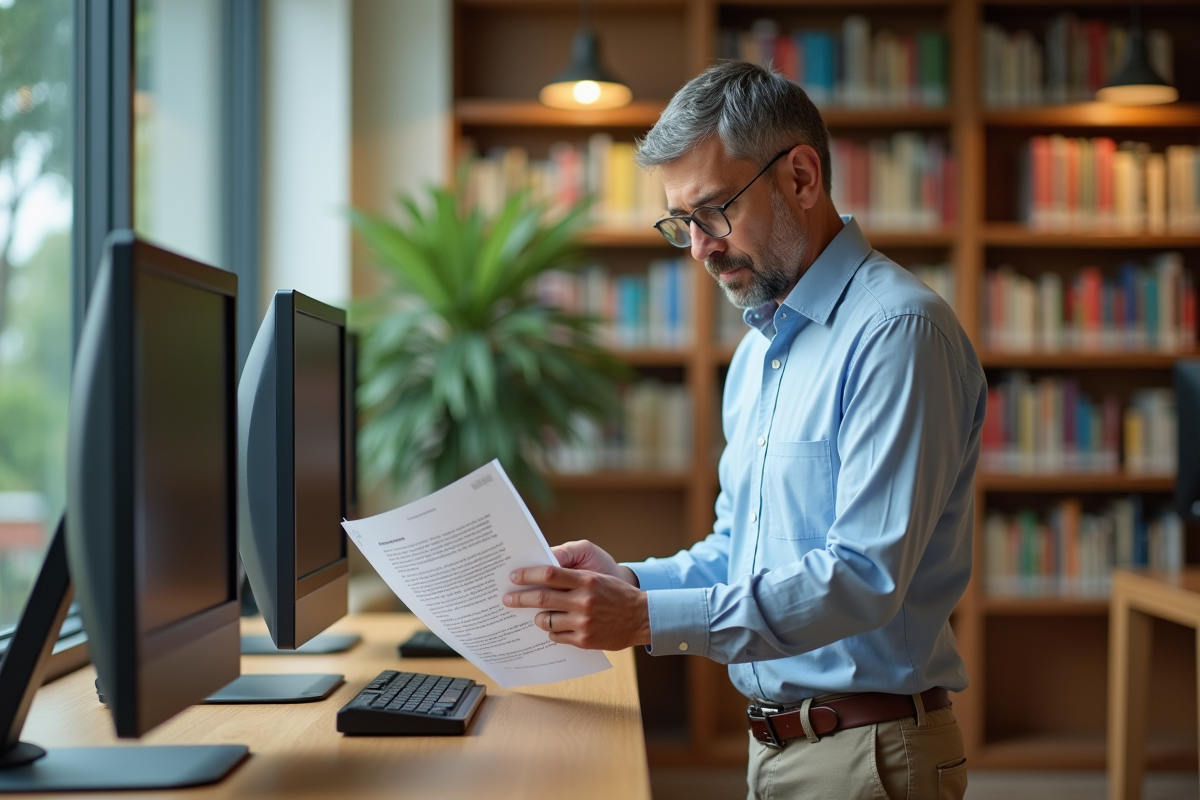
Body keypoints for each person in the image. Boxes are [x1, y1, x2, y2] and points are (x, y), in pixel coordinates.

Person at [503, 60, 985, 800]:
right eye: (681, 224)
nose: (699, 247)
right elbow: (738, 552)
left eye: (713, 212)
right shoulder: (760, 351)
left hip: (870, 757)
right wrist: (629, 582)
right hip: (780, 749)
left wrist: (644, 620)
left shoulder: (897, 331)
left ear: (801, 177)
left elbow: (864, 579)